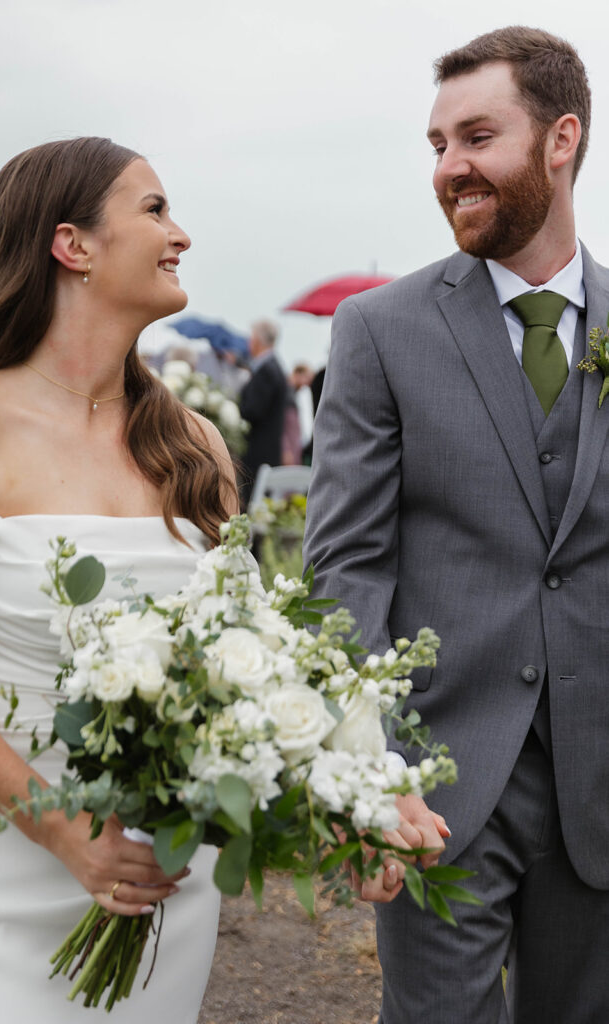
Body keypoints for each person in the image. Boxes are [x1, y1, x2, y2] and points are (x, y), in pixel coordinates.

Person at [303, 27, 609, 1023]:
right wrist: (368, 766)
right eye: (435, 143)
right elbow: (343, 565)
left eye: (475, 136)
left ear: (559, 140)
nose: (448, 169)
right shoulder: (380, 330)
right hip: (436, 794)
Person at [0, 137, 239, 1023]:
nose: (179, 235)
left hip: (160, 877)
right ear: (73, 245)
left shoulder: (192, 445)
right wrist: (61, 829)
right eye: (154, 210)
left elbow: (241, 651)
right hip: (0, 868)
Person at [238, 319, 288, 507]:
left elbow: (252, 411)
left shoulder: (267, 371)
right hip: (267, 450)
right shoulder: (274, 367)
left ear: (258, 340)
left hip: (258, 452)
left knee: (253, 503)